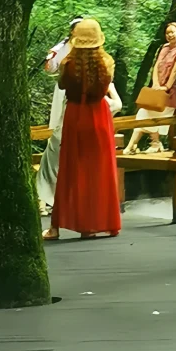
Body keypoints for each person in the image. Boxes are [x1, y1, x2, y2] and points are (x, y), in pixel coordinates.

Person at [44, 19, 123, 241]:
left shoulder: (68, 63)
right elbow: (106, 85)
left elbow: (61, 85)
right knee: (99, 170)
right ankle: (96, 225)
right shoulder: (107, 62)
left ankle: (56, 227)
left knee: (70, 170)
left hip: (75, 115)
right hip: (98, 116)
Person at [37, 17, 82, 215]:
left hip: (81, 89)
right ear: (72, 31)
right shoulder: (62, 47)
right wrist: (51, 60)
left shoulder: (89, 48)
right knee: (59, 128)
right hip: (64, 89)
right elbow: (52, 68)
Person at [124, 21, 176, 155]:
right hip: (157, 88)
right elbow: (156, 65)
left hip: (171, 91)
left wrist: (166, 87)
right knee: (144, 113)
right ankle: (144, 144)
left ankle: (139, 145)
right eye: (167, 33)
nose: (170, 35)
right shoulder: (164, 47)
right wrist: (156, 84)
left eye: (172, 32)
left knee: (158, 116)